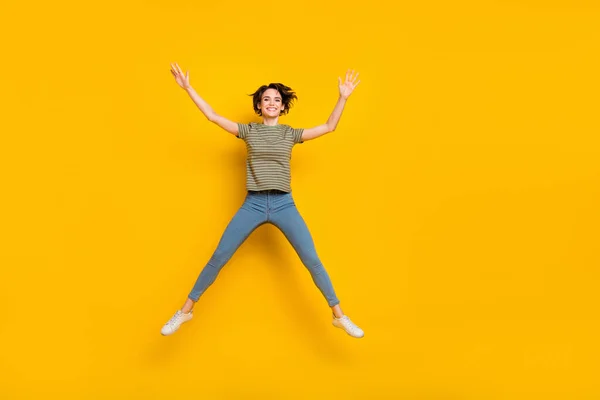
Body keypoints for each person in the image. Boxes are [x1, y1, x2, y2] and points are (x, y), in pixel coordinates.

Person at [161, 63, 364, 338]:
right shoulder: (249, 131)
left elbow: (329, 126)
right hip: (253, 204)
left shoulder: (289, 134)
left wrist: (343, 97)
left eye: (277, 100)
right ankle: (185, 311)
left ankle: (339, 316)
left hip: (283, 204)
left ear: (282, 108)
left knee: (312, 259)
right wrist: (188, 89)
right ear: (259, 105)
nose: (271, 103)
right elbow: (212, 116)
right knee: (220, 255)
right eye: (266, 99)